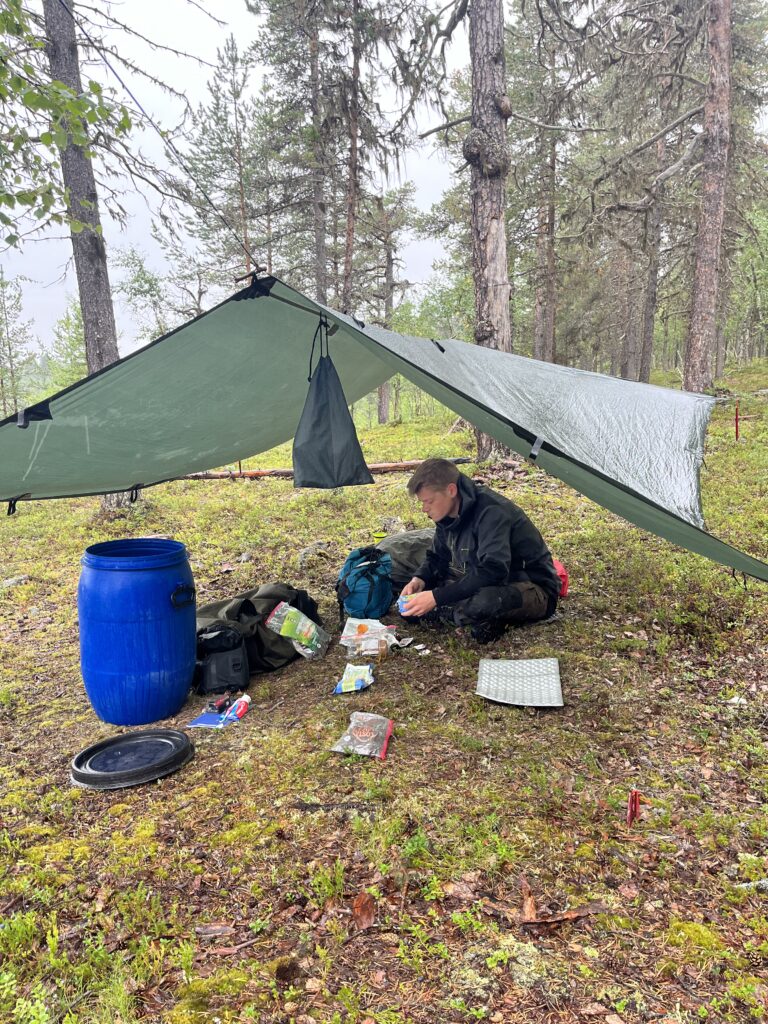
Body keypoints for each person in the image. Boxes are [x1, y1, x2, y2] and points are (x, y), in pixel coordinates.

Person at [399, 458, 560, 643]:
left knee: (484, 602)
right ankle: (462, 614)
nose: (424, 509)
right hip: (478, 578)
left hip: (530, 587)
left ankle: (460, 613)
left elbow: (493, 571)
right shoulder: (446, 513)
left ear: (451, 490)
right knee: (411, 604)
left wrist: (437, 597)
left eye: (429, 501)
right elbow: (437, 557)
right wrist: (419, 579)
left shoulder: (491, 512)